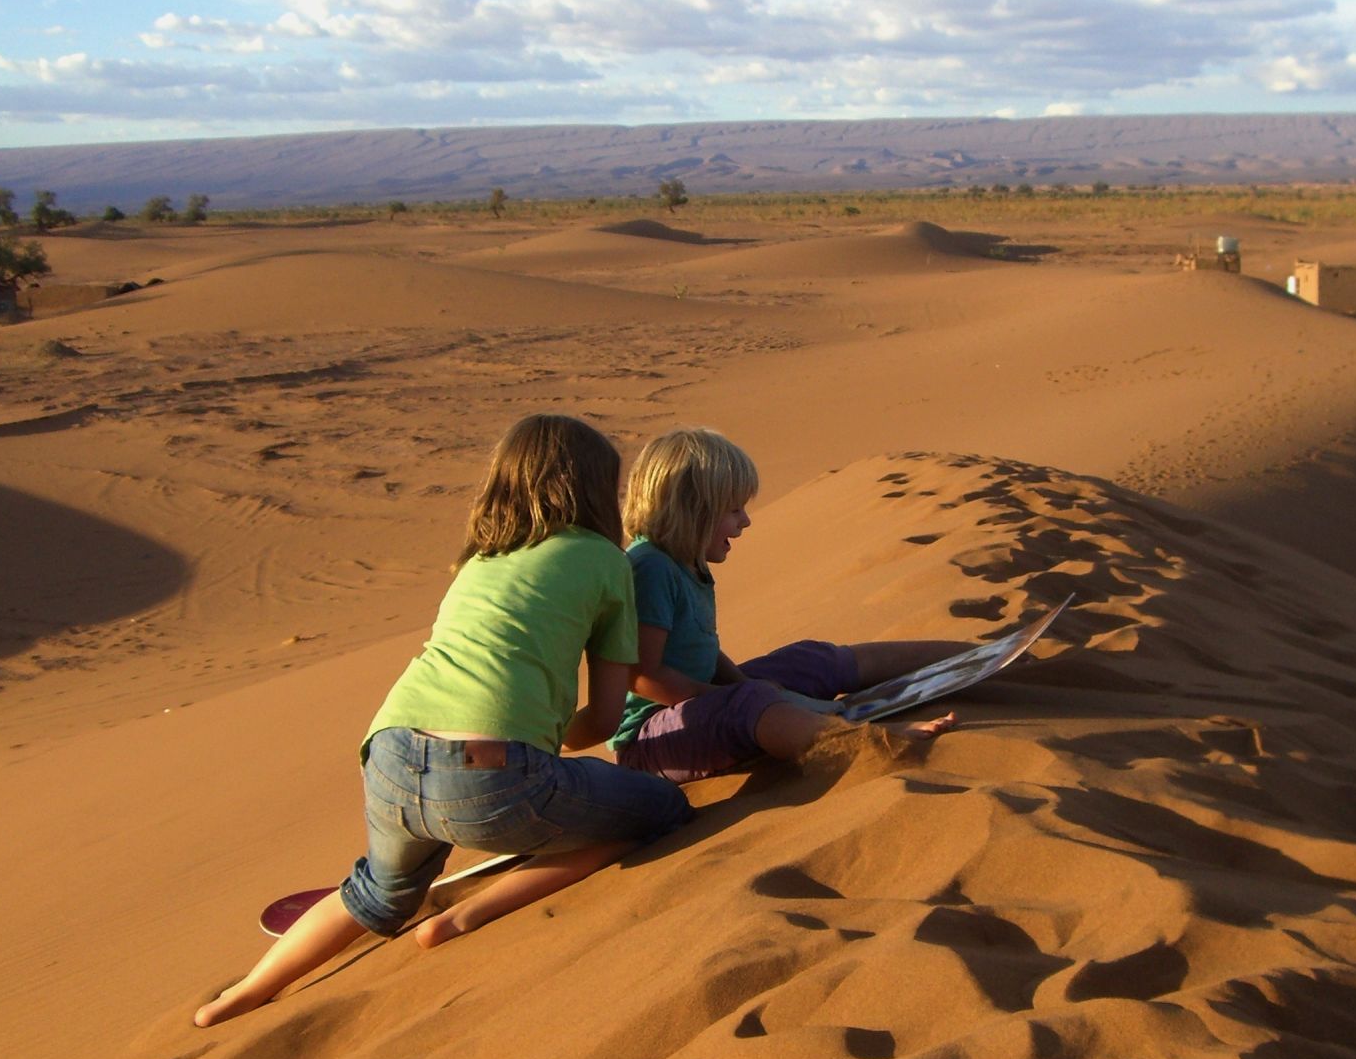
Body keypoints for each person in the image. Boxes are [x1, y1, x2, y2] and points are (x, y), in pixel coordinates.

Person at [195, 414, 692, 1028]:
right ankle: (465, 916)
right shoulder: (605, 562)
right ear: (593, 489)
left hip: (388, 754)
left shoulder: (481, 558)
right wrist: (545, 738)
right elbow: (608, 717)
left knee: (375, 890)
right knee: (656, 809)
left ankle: (242, 994)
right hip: (496, 777)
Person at [609, 428, 969, 783]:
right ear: (691, 511)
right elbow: (642, 676)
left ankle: (967, 659)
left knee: (809, 659)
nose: (745, 521)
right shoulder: (650, 567)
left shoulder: (686, 562)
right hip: (653, 742)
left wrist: (753, 684)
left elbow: (702, 649)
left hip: (697, 708)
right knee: (751, 701)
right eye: (733, 510)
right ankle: (866, 743)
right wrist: (742, 694)